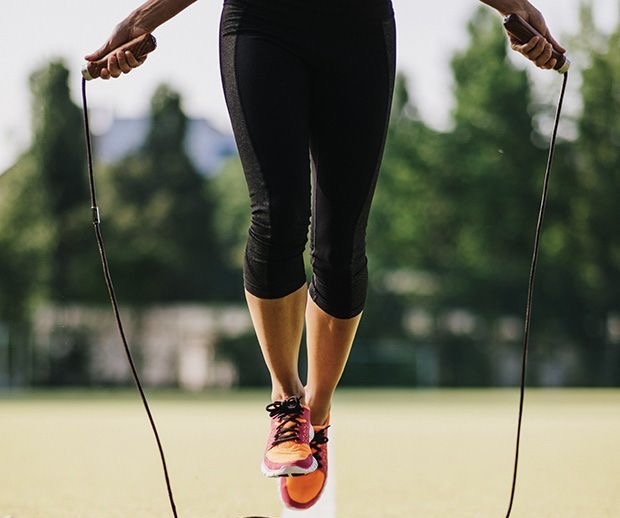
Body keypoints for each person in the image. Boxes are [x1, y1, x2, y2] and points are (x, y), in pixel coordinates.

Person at [86, 0, 566, 510]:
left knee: (340, 247)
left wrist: (515, 7)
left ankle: (317, 413)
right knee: (277, 214)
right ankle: (286, 402)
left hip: (358, 31)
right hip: (261, 23)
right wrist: (142, 21)